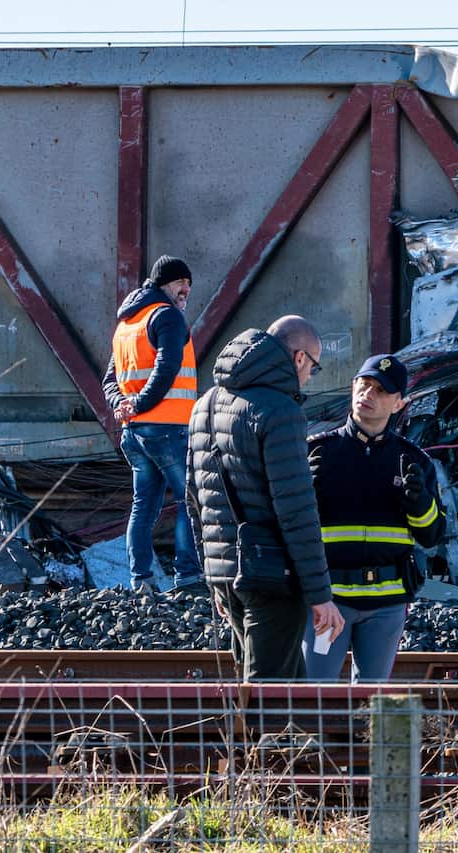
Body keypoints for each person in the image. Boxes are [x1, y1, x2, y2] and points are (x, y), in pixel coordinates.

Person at [186, 315, 343, 680]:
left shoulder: (205, 406)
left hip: (227, 574)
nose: (307, 378)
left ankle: (273, 738)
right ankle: (265, 739)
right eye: (313, 368)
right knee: (272, 696)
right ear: (300, 358)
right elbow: (297, 511)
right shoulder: (280, 411)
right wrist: (320, 595)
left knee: (274, 689)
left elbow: (195, 500)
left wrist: (213, 577)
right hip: (271, 574)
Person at [303, 353, 444, 681]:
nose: (369, 394)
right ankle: (314, 736)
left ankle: (367, 736)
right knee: (315, 690)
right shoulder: (317, 452)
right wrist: (303, 495)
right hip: (328, 601)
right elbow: (288, 526)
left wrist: (420, 503)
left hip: (386, 604)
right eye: (364, 385)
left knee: (373, 697)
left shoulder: (413, 461)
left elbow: (433, 535)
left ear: (399, 404)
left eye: (381, 391)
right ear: (353, 388)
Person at [102, 255, 202, 592]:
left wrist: (124, 406)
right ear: (164, 283)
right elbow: (167, 367)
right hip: (169, 428)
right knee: (190, 500)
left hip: (135, 431)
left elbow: (109, 380)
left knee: (144, 506)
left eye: (189, 283)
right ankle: (188, 577)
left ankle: (140, 579)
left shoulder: (126, 325)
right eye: (180, 282)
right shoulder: (167, 316)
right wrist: (139, 403)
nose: (186, 289)